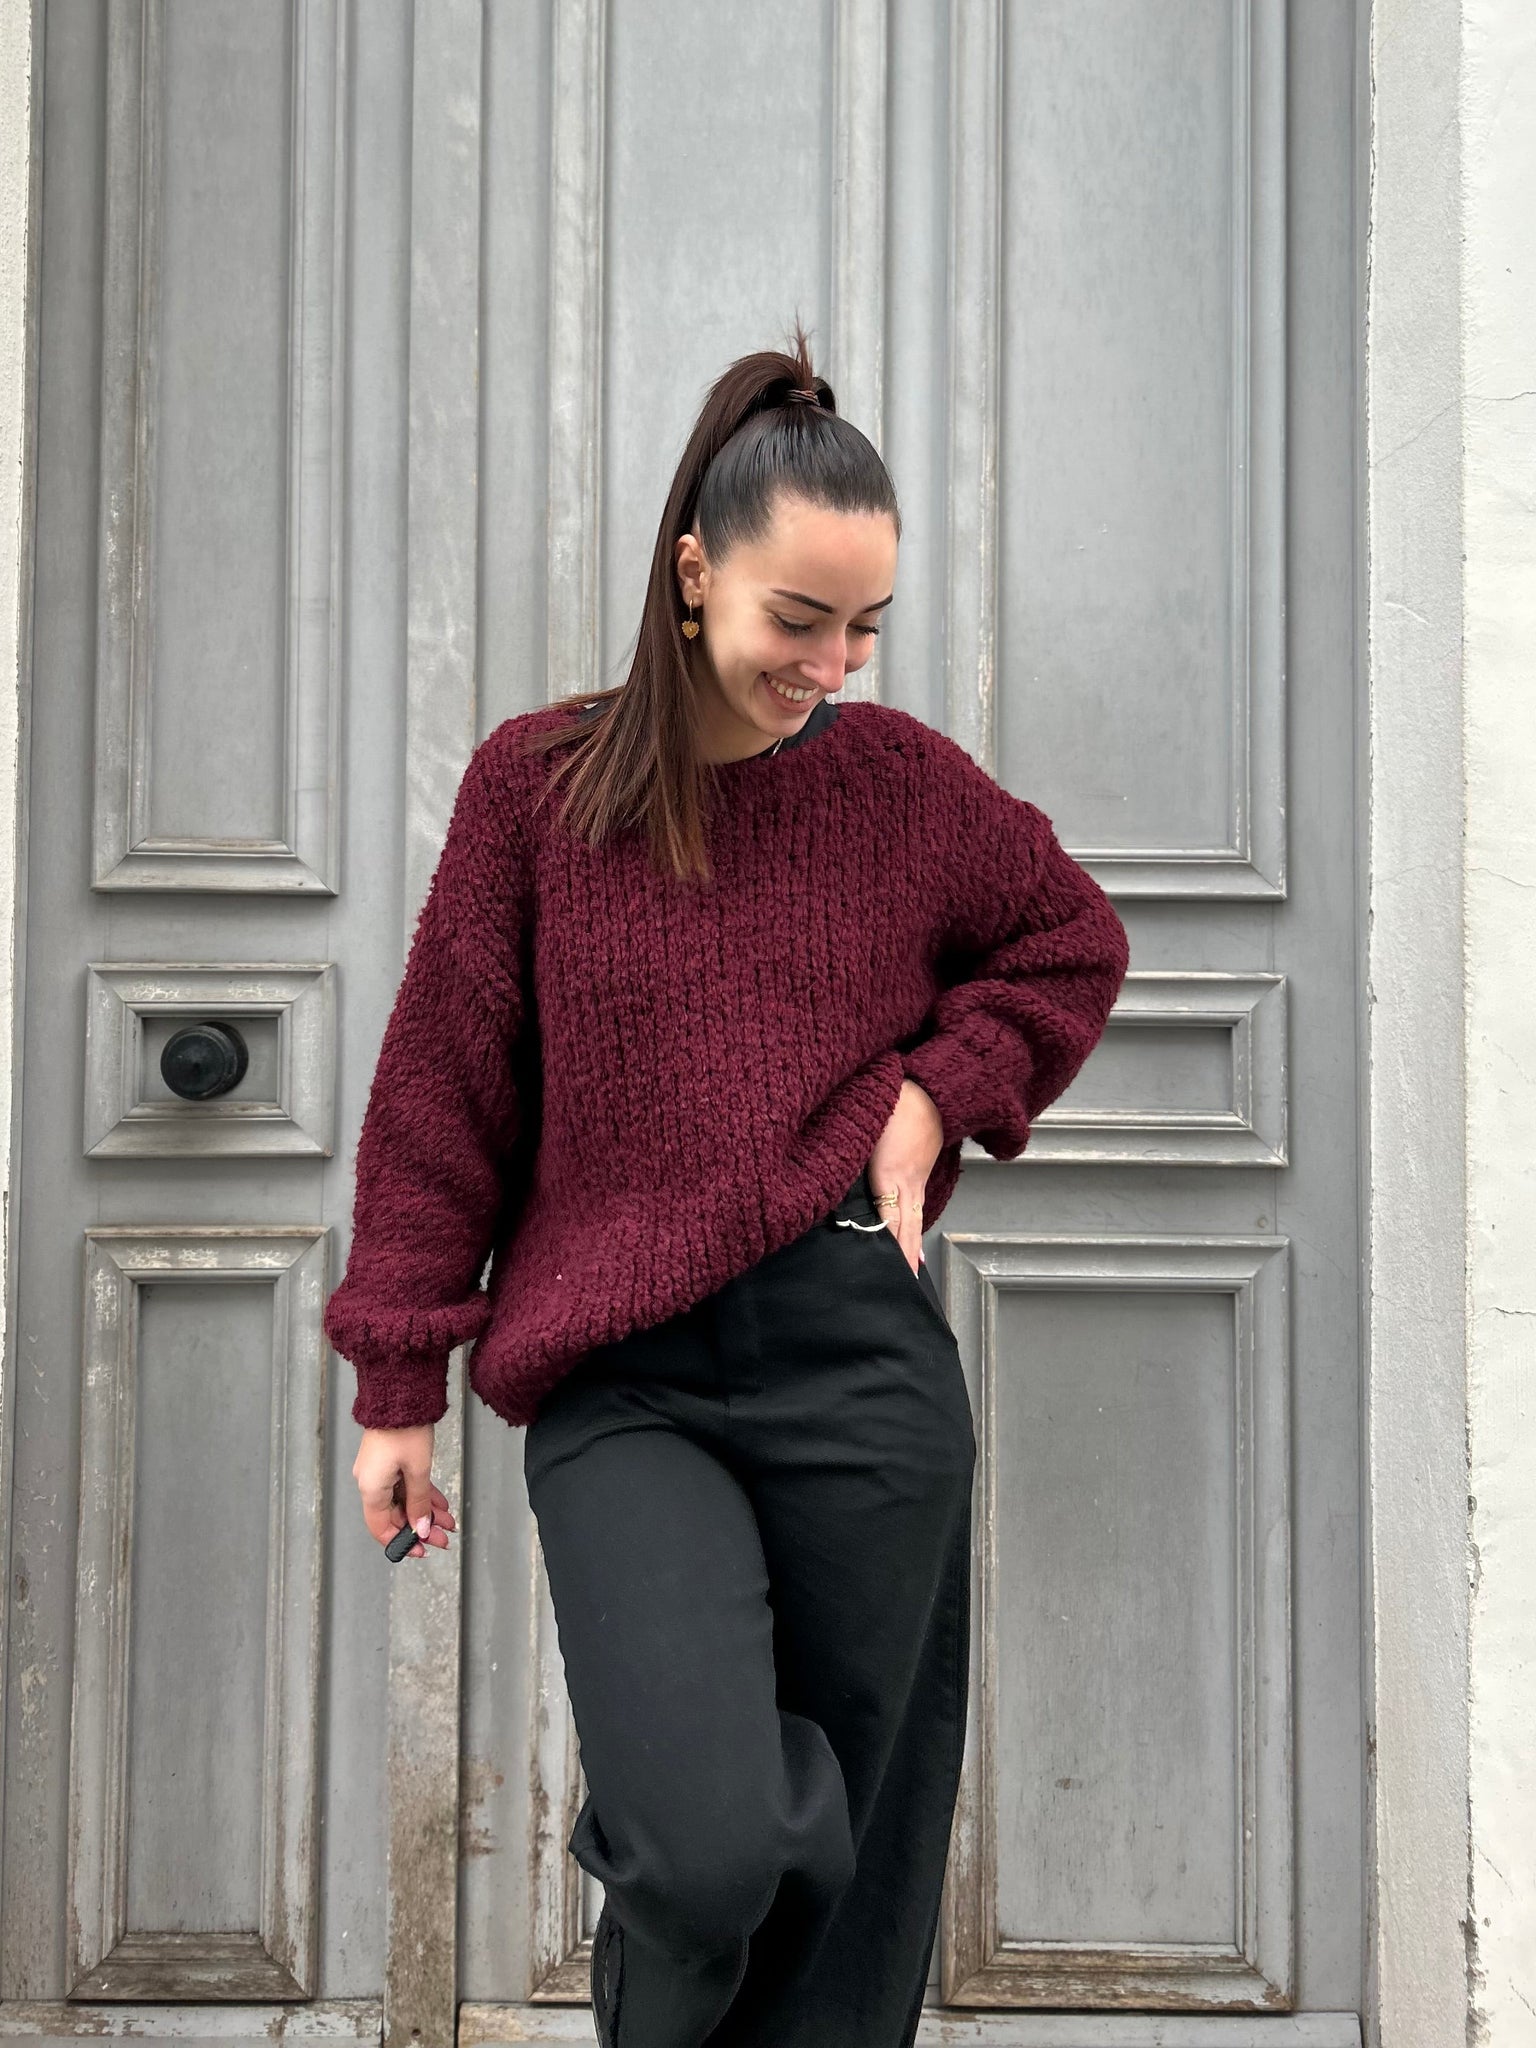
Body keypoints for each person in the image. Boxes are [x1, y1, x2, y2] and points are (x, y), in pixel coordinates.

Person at [323, 320, 1131, 2048]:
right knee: (702, 1851)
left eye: (866, 627)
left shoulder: (902, 788)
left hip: (857, 1359)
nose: (832, 664)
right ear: (694, 574)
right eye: (798, 618)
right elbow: (444, 1090)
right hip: (624, 1381)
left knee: (854, 1888)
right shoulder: (539, 790)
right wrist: (399, 1377)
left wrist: (935, 1095)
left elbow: (1071, 942)